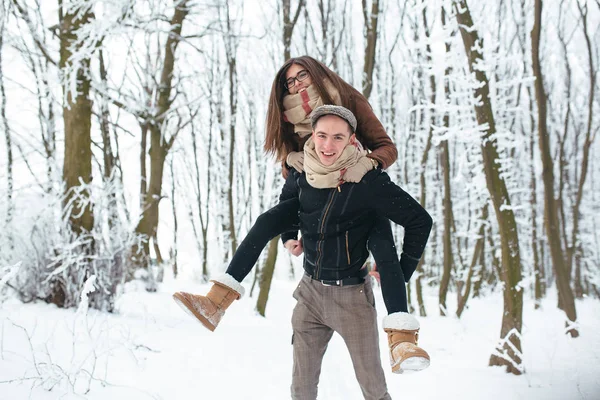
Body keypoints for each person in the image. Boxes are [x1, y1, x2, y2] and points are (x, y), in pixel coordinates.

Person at [174, 106, 433, 399]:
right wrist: (287, 237)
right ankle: (216, 302)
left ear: (351, 140)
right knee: (301, 389)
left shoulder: (367, 180)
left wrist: (404, 270)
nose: (327, 145)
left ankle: (402, 339)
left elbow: (420, 221)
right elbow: (287, 200)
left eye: (337, 137)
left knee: (373, 387)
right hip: (310, 295)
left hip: (353, 299)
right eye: (321, 136)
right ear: (312, 135)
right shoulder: (302, 170)